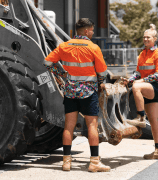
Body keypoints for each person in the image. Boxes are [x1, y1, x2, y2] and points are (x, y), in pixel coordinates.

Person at [44, 18, 111, 172]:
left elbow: (47, 62)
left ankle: (66, 162)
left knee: (69, 126)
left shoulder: (64, 46)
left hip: (70, 91)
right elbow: (102, 72)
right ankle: (94, 163)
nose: (93, 33)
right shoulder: (93, 48)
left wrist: (60, 75)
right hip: (88, 92)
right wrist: (99, 82)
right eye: (92, 30)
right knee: (92, 125)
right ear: (86, 31)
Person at [122, 24, 158, 160]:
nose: (146, 39)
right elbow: (137, 72)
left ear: (155, 39)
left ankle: (140, 117)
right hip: (147, 87)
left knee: (136, 87)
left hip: (157, 87)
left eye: (148, 37)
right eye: (144, 37)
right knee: (153, 122)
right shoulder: (142, 54)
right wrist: (131, 79)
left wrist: (141, 81)